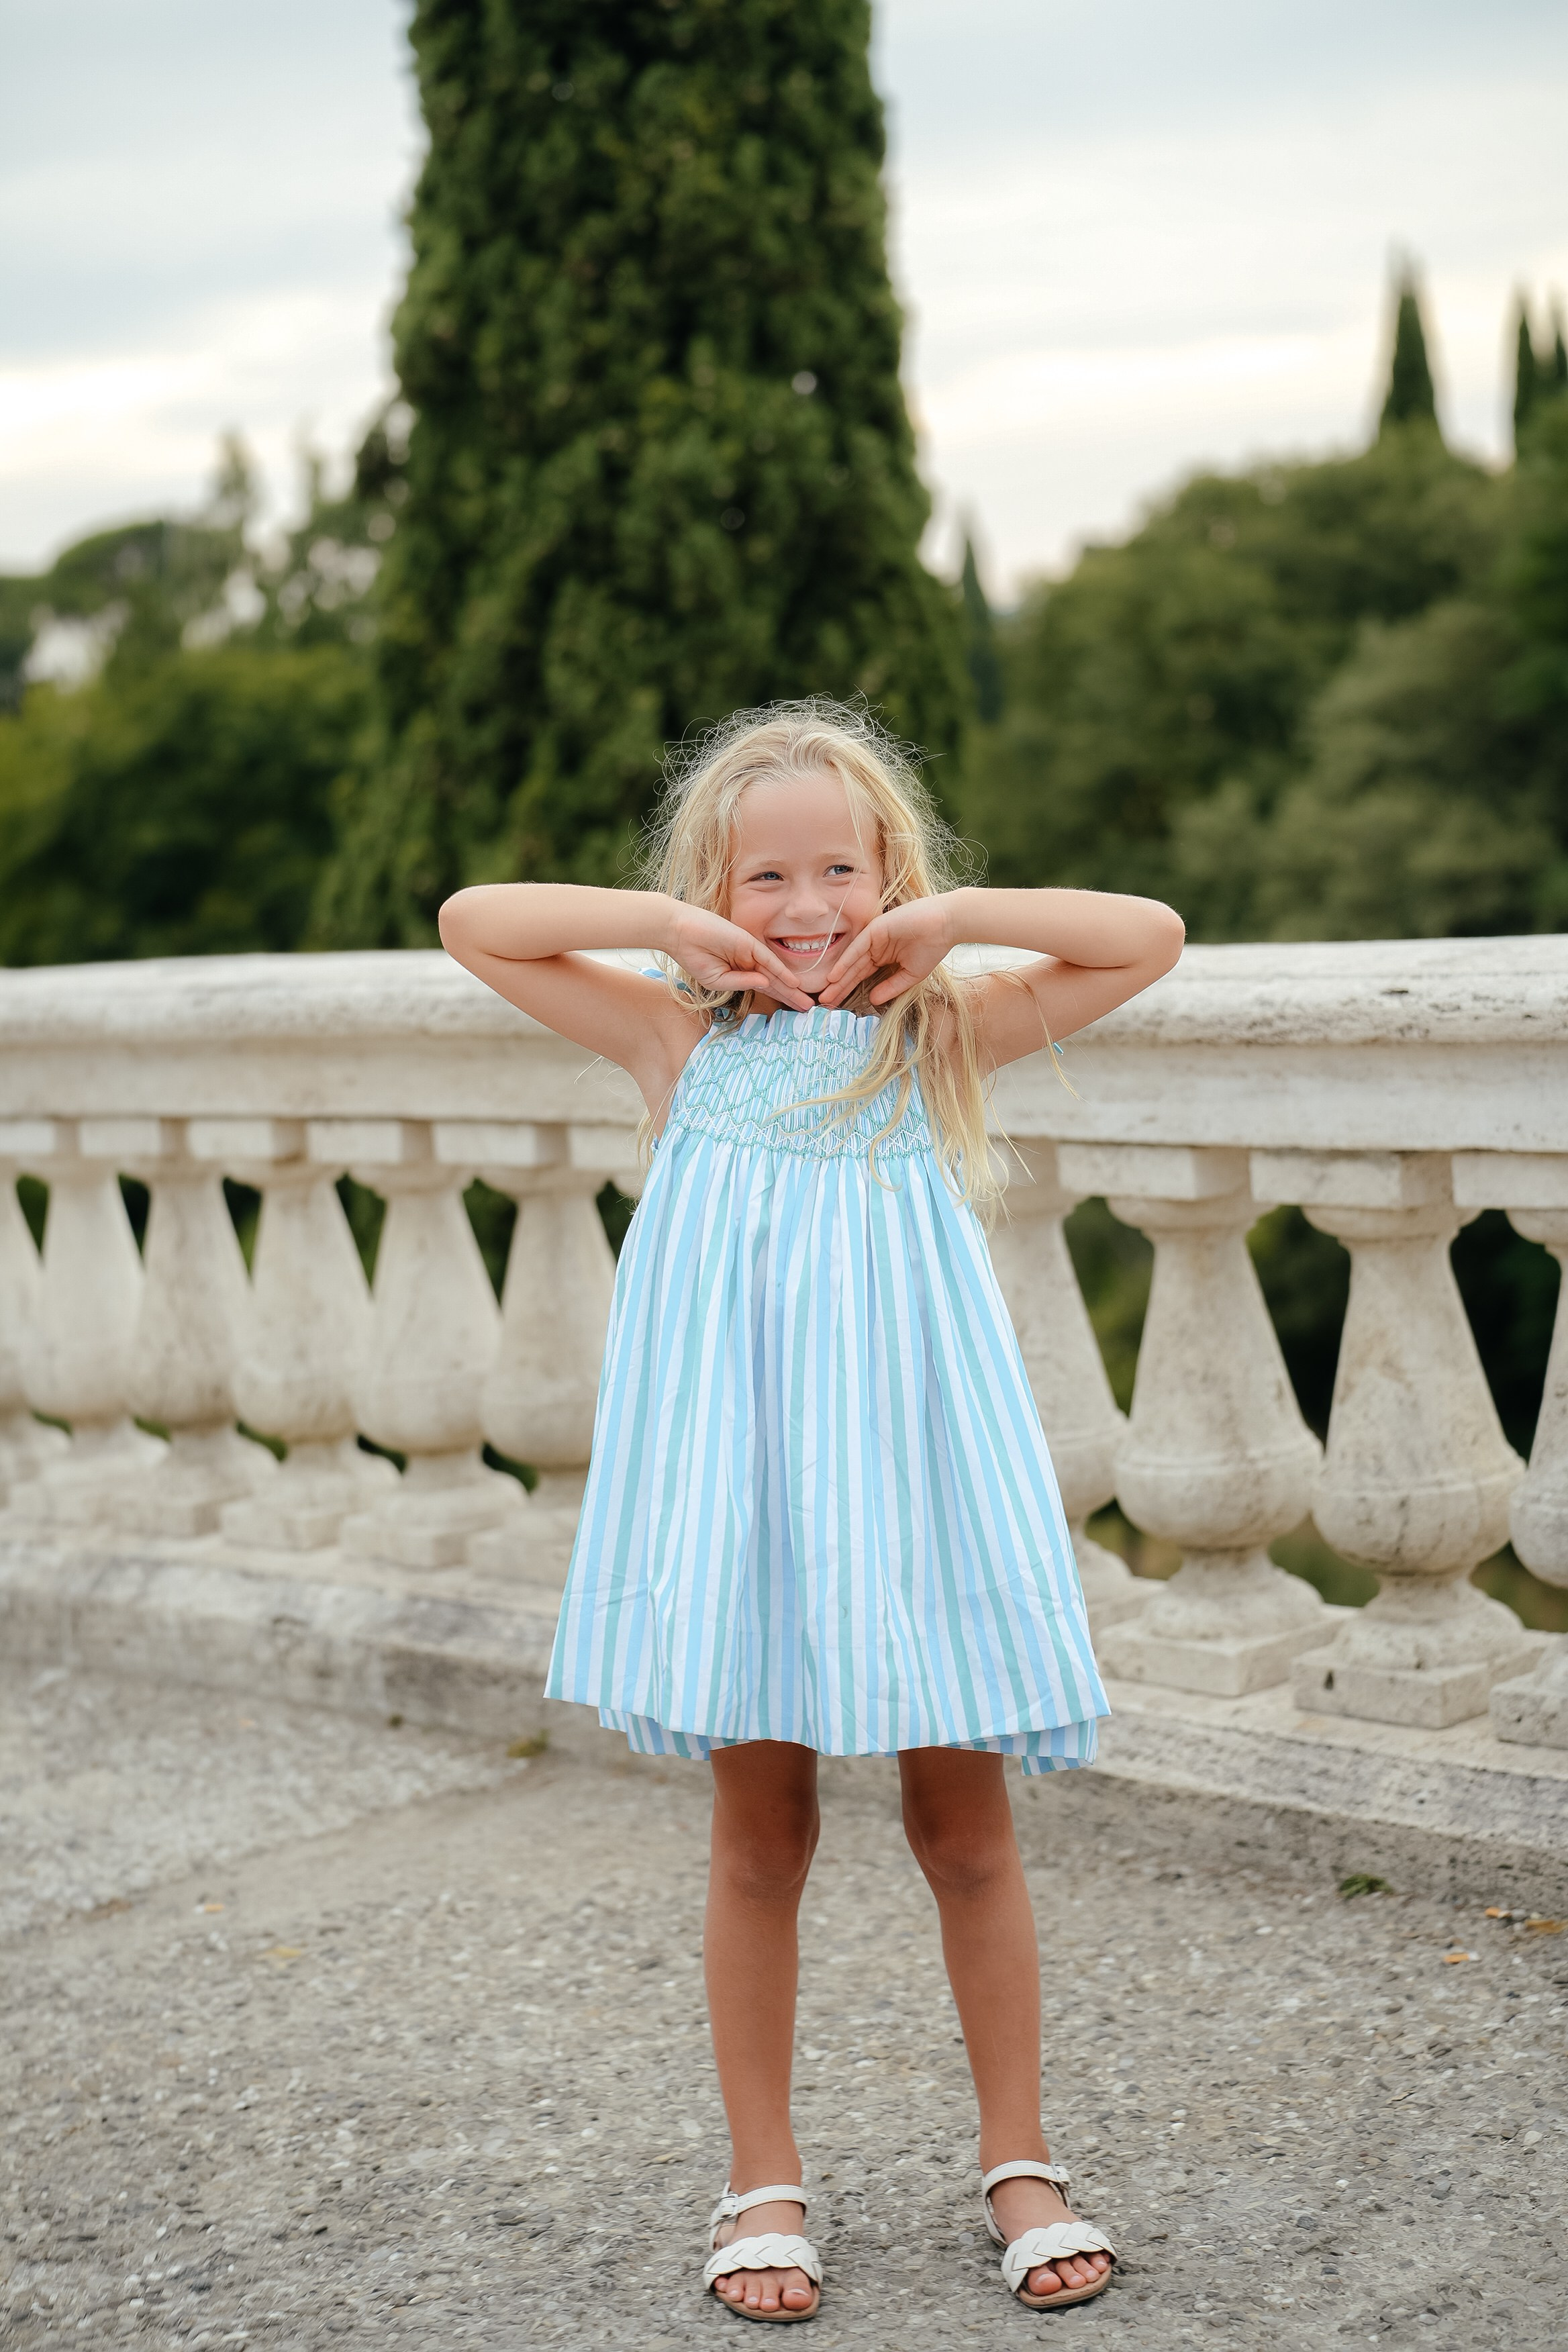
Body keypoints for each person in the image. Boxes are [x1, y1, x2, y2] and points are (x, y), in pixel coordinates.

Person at [439, 701, 1183, 2322]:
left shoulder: (936, 1036)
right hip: (749, 1493)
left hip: (912, 1483)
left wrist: (952, 920)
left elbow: (1148, 936)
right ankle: (761, 2175)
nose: (804, 904)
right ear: (713, 888)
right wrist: (663, 930)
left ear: (886, 874)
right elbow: (471, 923)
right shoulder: (674, 1042)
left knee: (962, 1832)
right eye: (761, 874)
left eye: (838, 868)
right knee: (758, 1833)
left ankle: (1020, 2158)